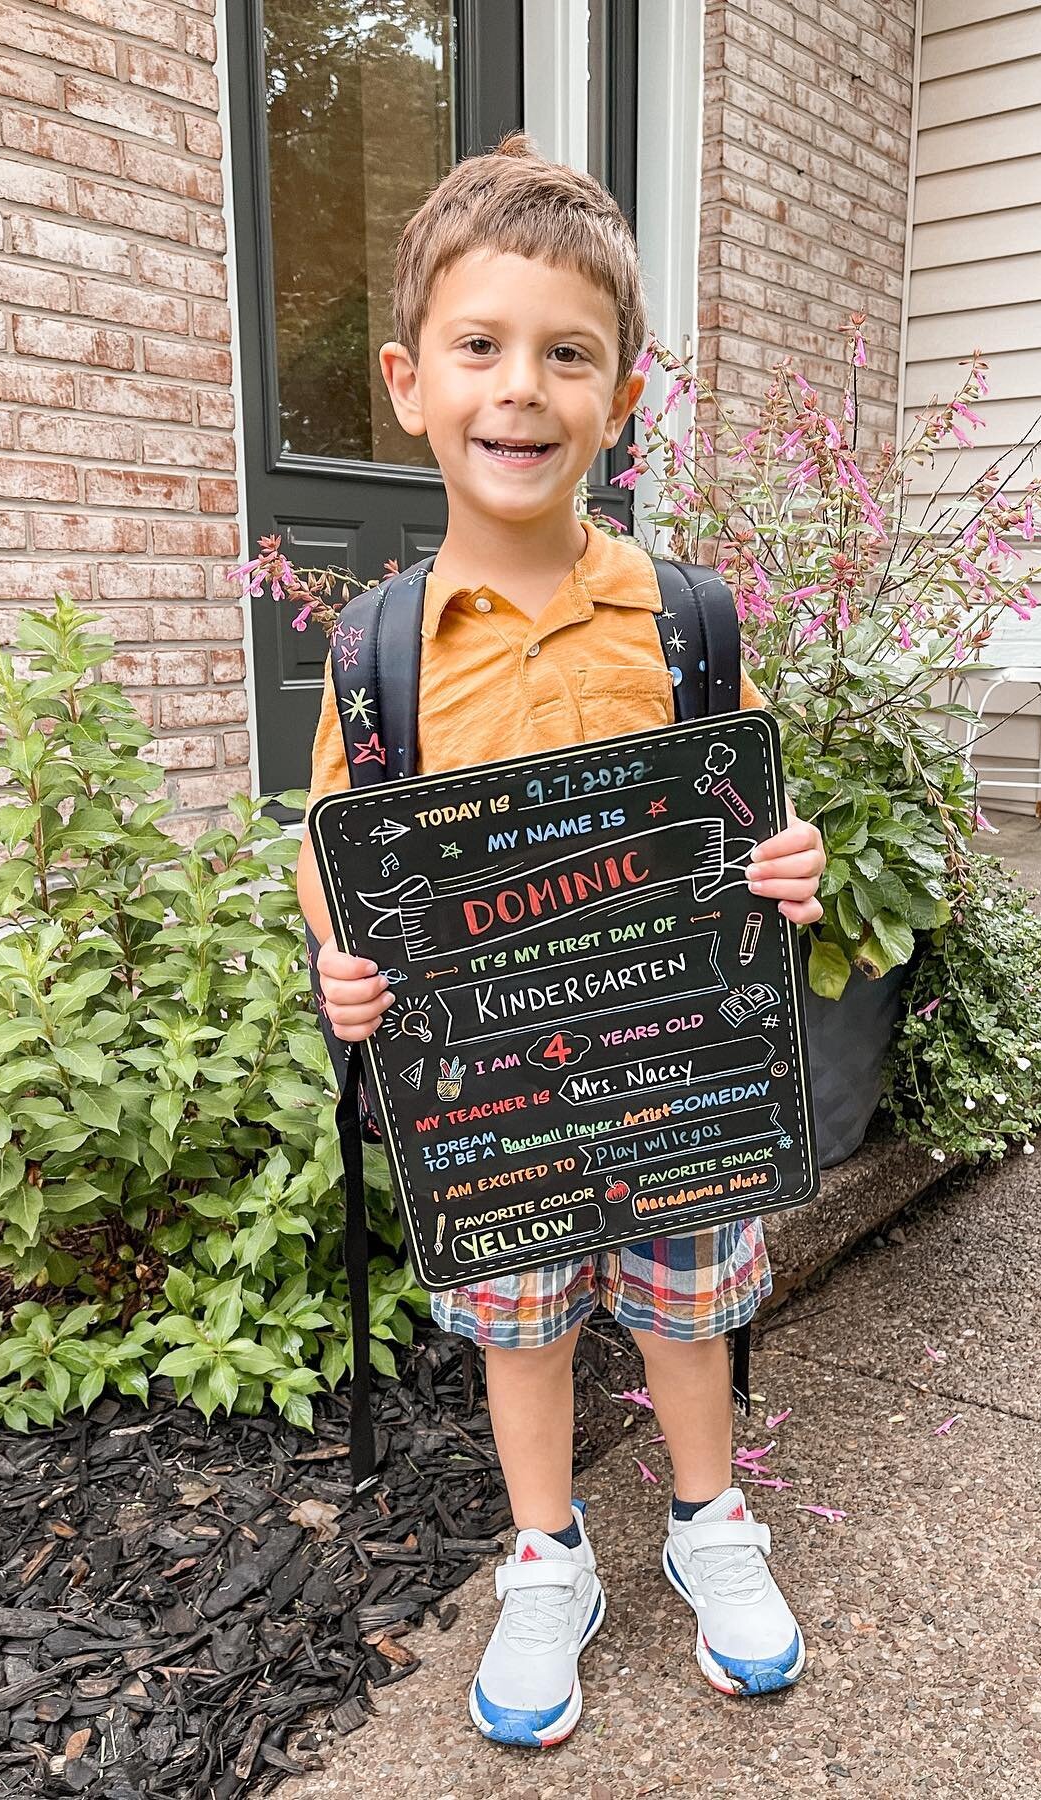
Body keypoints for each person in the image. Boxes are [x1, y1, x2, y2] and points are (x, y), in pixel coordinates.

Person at [296, 132, 826, 1748]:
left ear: (624, 395)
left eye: (566, 355)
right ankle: (551, 1551)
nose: (519, 389)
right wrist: (344, 960)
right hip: (494, 1097)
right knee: (520, 1326)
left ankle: (705, 1517)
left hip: (668, 1073)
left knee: (683, 1304)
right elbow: (340, 849)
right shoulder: (379, 651)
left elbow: (734, 819)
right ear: (408, 382)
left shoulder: (685, 619)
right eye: (480, 347)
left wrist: (785, 868)